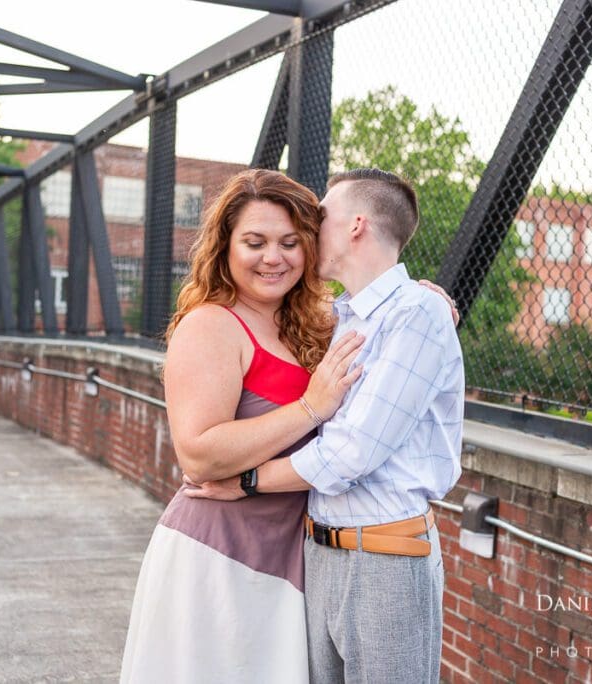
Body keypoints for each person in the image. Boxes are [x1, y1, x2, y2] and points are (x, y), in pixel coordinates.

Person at [187, 168, 465, 684]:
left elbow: (350, 452)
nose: (309, 231)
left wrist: (247, 480)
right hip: (316, 551)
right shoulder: (338, 318)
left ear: (356, 225)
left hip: (384, 553)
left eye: (321, 218)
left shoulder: (416, 312)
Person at [118, 169, 365, 683]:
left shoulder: (318, 323)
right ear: (225, 247)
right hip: (217, 559)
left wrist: (422, 295)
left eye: (290, 242)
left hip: (290, 560)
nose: (273, 257)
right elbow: (199, 454)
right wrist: (309, 408)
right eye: (255, 242)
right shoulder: (211, 324)